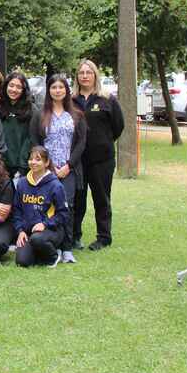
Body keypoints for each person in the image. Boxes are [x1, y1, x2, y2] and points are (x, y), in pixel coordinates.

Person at [29, 73, 86, 263]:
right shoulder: (40, 114)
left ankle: (67, 247)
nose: (57, 90)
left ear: (67, 90)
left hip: (68, 170)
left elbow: (81, 143)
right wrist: (47, 167)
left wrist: (68, 166)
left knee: (66, 207)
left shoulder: (76, 115)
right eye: (54, 87)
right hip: (46, 171)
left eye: (61, 87)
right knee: (46, 208)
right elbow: (35, 141)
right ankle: (51, 243)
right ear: (49, 91)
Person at [72, 59, 124, 251]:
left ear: (95, 75)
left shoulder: (107, 99)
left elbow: (118, 127)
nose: (85, 76)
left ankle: (103, 237)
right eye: (81, 73)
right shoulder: (71, 100)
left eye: (89, 72)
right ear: (77, 77)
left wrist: (102, 142)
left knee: (102, 199)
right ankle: (74, 236)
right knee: (78, 199)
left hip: (102, 160)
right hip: (77, 160)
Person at [13, 146, 69, 267]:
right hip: (29, 232)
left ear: (46, 162)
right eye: (31, 159)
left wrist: (45, 224)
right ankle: (39, 252)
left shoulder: (56, 185)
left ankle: (54, 255)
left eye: (38, 159)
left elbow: (63, 214)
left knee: (37, 239)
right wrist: (20, 231)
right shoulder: (22, 183)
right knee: (22, 261)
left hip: (51, 230)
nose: (33, 162)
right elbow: (17, 210)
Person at [0, 72, 36, 177]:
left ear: (24, 90)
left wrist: (23, 164)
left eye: (19, 87)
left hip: (24, 167)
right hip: (1, 165)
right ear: (6, 86)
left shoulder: (32, 110)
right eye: (11, 85)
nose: (14, 90)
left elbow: (31, 138)